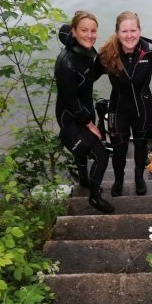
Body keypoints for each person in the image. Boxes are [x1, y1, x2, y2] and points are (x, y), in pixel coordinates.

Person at [97, 11, 152, 197]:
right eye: (124, 31)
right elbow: (86, 78)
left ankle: (139, 178)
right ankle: (118, 180)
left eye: (133, 30)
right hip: (118, 109)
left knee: (141, 147)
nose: (129, 35)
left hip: (143, 109)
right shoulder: (107, 54)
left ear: (140, 30)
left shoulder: (151, 52)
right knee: (119, 150)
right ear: (117, 32)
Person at [54, 11, 114, 214]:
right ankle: (94, 197)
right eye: (84, 30)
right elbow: (71, 100)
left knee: (82, 152)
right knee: (102, 156)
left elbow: (86, 79)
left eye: (93, 31)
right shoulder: (65, 63)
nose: (90, 35)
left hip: (85, 110)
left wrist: (104, 66)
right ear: (73, 31)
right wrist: (90, 125)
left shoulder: (86, 51)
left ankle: (85, 180)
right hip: (71, 117)